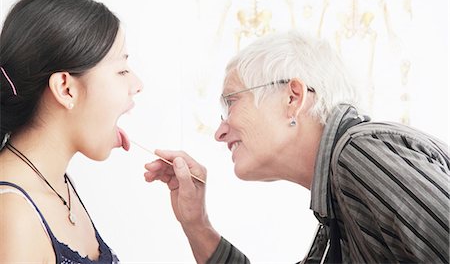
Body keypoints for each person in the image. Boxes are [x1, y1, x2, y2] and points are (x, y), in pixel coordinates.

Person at [144, 30, 449, 263]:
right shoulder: (338, 200)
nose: (220, 132)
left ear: (293, 98)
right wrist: (197, 224)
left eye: (231, 103)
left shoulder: (360, 155)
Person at [0, 0, 143, 263]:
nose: (137, 84)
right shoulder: (13, 214)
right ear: (66, 89)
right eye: (122, 70)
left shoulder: (59, 184)